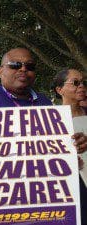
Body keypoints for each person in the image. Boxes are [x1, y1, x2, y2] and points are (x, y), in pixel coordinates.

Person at [0, 48, 87, 225]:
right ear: (0, 71)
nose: (23, 69)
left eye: (29, 66)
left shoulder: (45, 104)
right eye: (15, 65)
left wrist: (75, 146)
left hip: (44, 211)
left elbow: (54, 153)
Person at [52, 68, 87, 225]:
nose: (81, 86)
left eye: (83, 82)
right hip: (68, 186)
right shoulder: (50, 119)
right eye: (75, 83)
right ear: (60, 90)